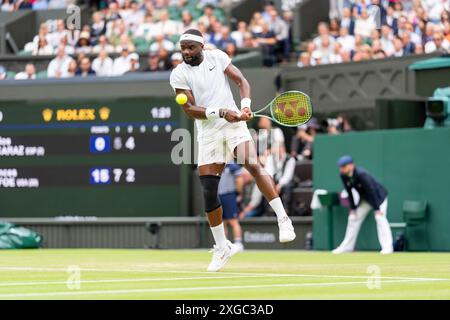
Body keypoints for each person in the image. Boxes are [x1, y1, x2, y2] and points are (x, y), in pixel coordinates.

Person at [170, 29, 296, 272]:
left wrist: (244, 106)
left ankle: (283, 219)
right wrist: (220, 112)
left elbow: (241, 81)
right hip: (208, 133)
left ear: (201, 47)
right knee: (208, 191)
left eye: (190, 48)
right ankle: (222, 247)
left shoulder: (217, 57)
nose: (186, 52)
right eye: (183, 48)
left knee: (253, 165)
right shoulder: (178, 74)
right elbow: (190, 109)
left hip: (234, 127)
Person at [332, 155, 394, 255]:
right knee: (353, 218)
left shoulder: (362, 175)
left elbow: (372, 191)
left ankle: (387, 248)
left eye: (344, 166)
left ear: (351, 165)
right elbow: (349, 192)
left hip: (378, 198)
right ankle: (347, 247)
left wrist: (377, 209)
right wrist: (353, 209)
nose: (341, 169)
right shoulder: (343, 175)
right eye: (340, 167)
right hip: (365, 200)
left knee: (380, 219)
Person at [218, 162, 245, 253]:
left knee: (233, 221)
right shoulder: (217, 166)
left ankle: (238, 243)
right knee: (222, 223)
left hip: (229, 196)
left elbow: (240, 180)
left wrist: (238, 193)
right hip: (219, 197)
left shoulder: (232, 166)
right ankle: (223, 245)